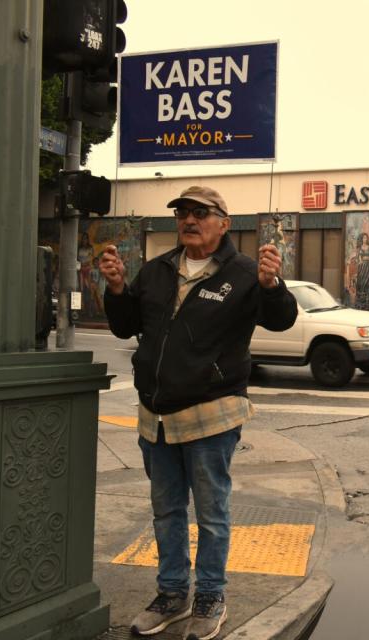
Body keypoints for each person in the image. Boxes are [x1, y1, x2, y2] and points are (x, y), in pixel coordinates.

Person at [99, 186, 298, 640]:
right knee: (166, 510)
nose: (189, 220)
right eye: (183, 213)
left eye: (200, 213)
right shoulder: (156, 270)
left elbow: (281, 319)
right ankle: (173, 594)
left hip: (212, 413)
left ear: (224, 222)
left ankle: (210, 595)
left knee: (211, 513)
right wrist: (115, 288)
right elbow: (125, 325)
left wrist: (272, 286)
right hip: (156, 415)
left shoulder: (245, 273)